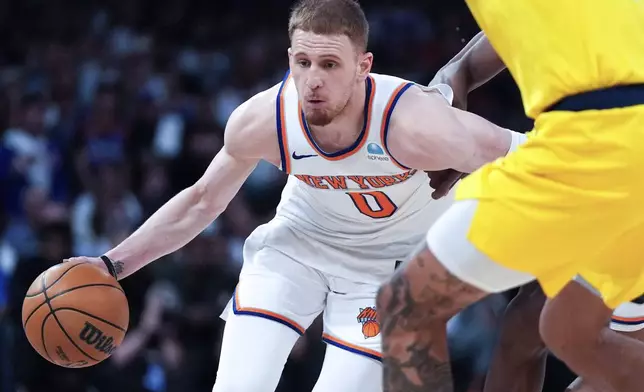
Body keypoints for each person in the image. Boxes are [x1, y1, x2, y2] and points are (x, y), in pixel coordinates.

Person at [63, 1, 525, 391]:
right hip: (296, 248)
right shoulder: (264, 120)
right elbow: (202, 201)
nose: (313, 80)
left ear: (364, 67)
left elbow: (539, 156)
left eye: (329, 65)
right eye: (303, 63)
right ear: (289, 59)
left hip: (388, 271)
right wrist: (109, 265)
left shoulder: (417, 125)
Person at [376, 0, 644, 391]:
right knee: (563, 331)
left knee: (407, 308)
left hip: (597, 141)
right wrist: (458, 73)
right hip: (610, 141)